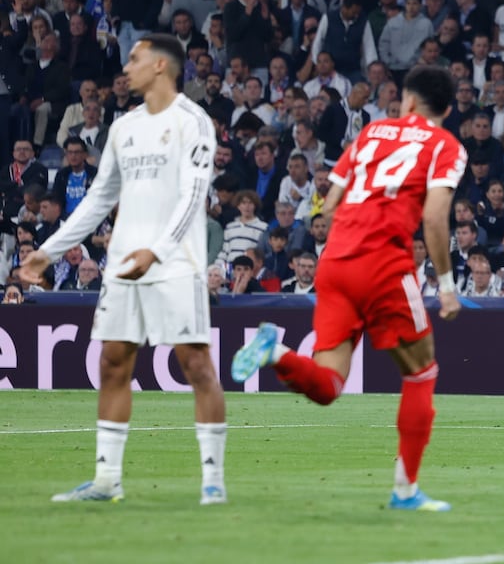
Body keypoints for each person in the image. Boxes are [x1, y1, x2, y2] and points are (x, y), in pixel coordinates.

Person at [232, 66, 467, 512]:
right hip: (384, 263)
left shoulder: (374, 131)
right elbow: (435, 219)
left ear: (408, 102)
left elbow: (331, 200)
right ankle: (405, 492)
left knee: (328, 385)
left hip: (335, 261)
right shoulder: (446, 145)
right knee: (420, 373)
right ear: (448, 110)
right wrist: (448, 285)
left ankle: (276, 353)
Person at [17, 35, 225, 504]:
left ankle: (213, 480)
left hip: (175, 264)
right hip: (125, 264)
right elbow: (99, 198)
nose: (125, 68)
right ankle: (107, 480)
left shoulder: (193, 121)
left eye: (133, 59)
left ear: (159, 66)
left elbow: (195, 196)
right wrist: (48, 251)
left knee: (195, 365)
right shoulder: (124, 127)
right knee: (113, 362)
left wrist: (159, 249)